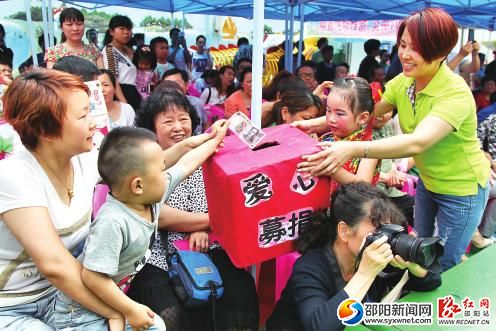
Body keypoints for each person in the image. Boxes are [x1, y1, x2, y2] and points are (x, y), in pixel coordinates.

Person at [296, 8, 490, 271]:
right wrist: (311, 123)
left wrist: (351, 148)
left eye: (417, 48)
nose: (406, 55)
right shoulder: (404, 82)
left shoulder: (454, 93)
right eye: (402, 45)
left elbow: (417, 142)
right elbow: (364, 115)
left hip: (461, 189)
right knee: (417, 252)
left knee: (443, 263)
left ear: (442, 52)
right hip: (428, 183)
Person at [69, 119, 227, 330]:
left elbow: (186, 164)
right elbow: (92, 277)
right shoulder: (113, 222)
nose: (166, 173)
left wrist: (213, 139)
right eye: (161, 169)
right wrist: (129, 309)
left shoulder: (149, 198)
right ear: (138, 185)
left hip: (110, 301)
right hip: (80, 311)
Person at [0, 69, 124, 330]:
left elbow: (140, 171)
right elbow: (54, 264)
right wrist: (116, 311)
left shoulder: (84, 159)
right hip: (11, 306)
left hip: (62, 297)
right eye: (82, 115)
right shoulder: (14, 175)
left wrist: (195, 146)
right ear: (46, 129)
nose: (93, 122)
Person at [129, 89, 259, 331]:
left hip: (213, 244)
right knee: (169, 314)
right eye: (168, 121)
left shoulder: (211, 151)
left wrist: (208, 231)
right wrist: (207, 222)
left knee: (240, 296)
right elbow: (160, 216)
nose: (178, 127)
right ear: (152, 127)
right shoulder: (143, 160)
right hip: (159, 254)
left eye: (184, 119)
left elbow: (231, 198)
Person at [266, 182, 441, 331]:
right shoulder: (310, 268)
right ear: (344, 231)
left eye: (389, 228)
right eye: (377, 229)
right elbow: (319, 326)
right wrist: (365, 274)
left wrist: (412, 264)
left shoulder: (378, 252)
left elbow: (433, 281)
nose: (386, 236)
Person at [102, 15, 140, 110]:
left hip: (133, 93)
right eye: (121, 28)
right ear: (111, 31)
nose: (126, 32)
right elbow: (112, 79)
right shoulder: (110, 50)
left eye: (129, 29)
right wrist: (125, 104)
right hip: (122, 95)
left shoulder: (126, 50)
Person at [162, 68, 204, 133]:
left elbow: (204, 123)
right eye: (168, 84)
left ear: (187, 85)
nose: (173, 87)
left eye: (176, 83)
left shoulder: (195, 103)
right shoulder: (160, 105)